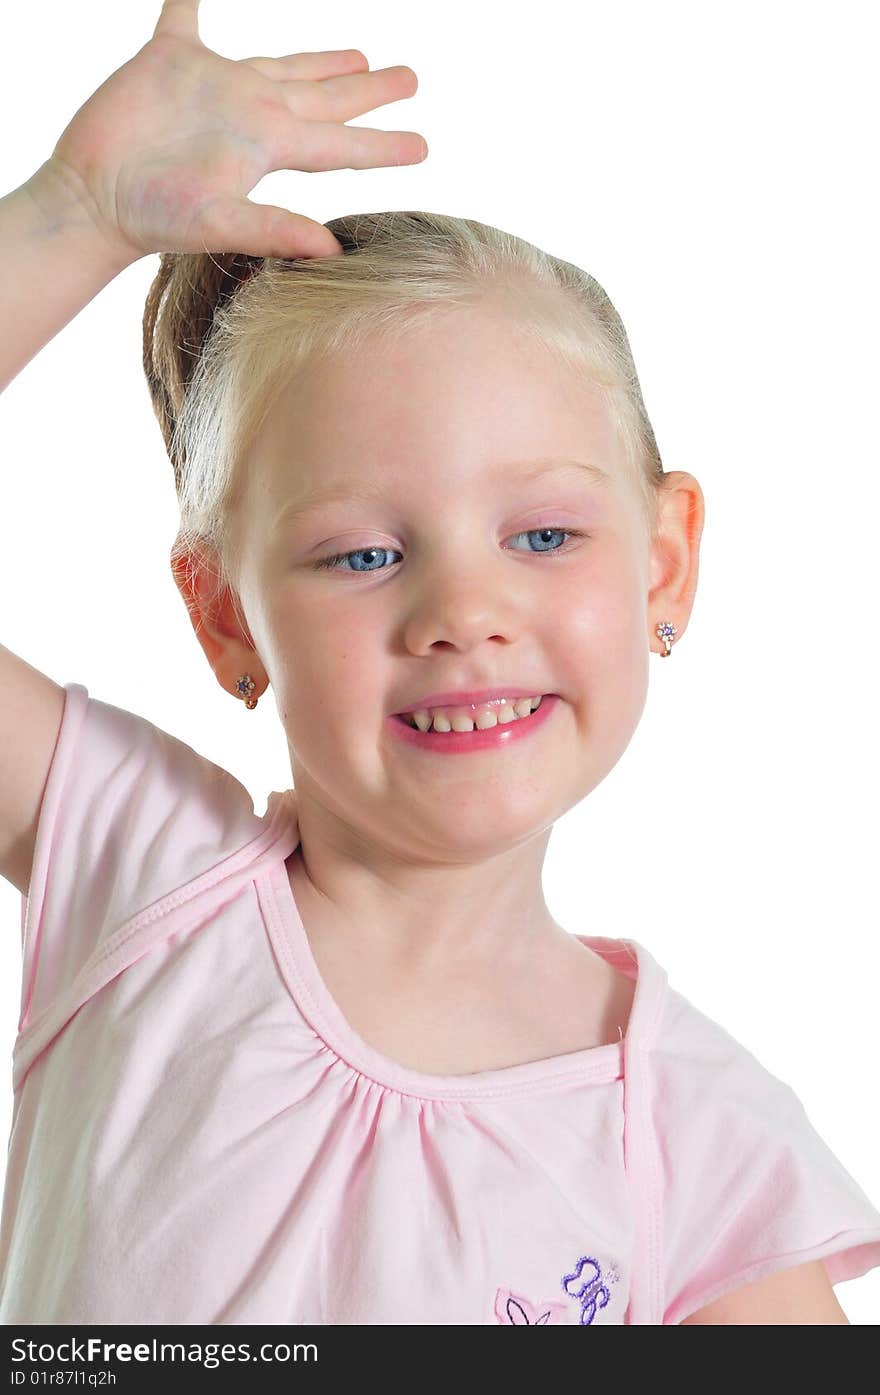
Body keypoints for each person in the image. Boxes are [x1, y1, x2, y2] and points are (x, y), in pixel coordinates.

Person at [0, 0, 877, 1326]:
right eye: (360, 555)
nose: (464, 611)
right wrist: (75, 215)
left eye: (541, 533)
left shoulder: (704, 1149)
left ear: (663, 564)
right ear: (225, 616)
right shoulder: (145, 877)